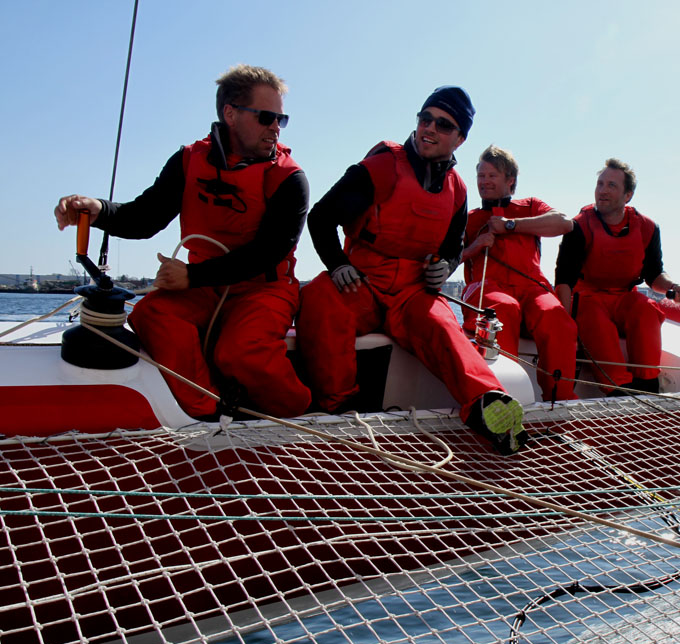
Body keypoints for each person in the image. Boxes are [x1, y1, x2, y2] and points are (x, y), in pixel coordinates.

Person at [53, 64, 312, 420]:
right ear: (230, 113)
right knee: (152, 314)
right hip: (204, 286)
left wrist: (191, 276)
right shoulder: (189, 161)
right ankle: (209, 412)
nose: (275, 128)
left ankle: (301, 413)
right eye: (267, 117)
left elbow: (269, 252)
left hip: (262, 287)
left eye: (281, 120)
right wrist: (97, 211)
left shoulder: (290, 178)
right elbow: (145, 217)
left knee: (239, 351)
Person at [296, 86, 527, 455]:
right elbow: (322, 218)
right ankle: (339, 410)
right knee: (320, 299)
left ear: (460, 138)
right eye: (425, 118)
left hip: (411, 294)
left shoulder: (457, 190)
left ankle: (489, 406)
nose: (429, 129)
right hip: (362, 284)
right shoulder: (384, 165)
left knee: (443, 325)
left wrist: (444, 269)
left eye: (443, 125)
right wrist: (337, 265)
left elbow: (450, 251)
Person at [554, 158, 680, 394]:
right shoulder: (578, 226)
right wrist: (565, 324)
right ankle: (618, 389)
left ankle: (648, 383)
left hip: (623, 298)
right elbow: (564, 281)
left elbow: (654, 275)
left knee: (647, 310)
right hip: (587, 299)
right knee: (594, 319)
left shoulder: (647, 228)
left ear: (628, 195)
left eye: (611, 185)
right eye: (600, 184)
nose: (603, 191)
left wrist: (675, 286)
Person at [462, 145, 578, 401]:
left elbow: (564, 223)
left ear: (510, 180)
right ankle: (504, 401)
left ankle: (559, 404)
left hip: (532, 288)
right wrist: (474, 247)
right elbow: (448, 258)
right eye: (481, 176)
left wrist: (510, 226)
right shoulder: (468, 218)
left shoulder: (530, 206)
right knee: (502, 309)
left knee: (556, 317)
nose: (484, 181)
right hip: (488, 288)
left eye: (492, 175)